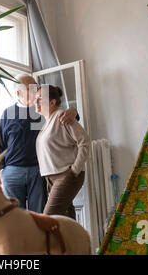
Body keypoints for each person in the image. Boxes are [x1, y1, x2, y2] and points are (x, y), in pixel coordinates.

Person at [0, 74, 79, 213]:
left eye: (37, 86)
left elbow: (67, 116)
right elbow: (1, 144)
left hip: (39, 170)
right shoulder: (7, 113)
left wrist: (73, 111)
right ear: (19, 93)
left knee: (39, 215)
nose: (37, 90)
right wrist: (1, 170)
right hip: (12, 172)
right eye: (32, 88)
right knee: (15, 216)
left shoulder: (43, 109)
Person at [35, 85, 90, 219]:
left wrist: (75, 170)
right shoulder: (46, 122)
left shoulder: (62, 116)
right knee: (66, 219)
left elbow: (85, 141)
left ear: (52, 102)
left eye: (39, 99)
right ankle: (77, 240)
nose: (35, 102)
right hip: (51, 178)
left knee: (47, 218)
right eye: (35, 99)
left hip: (66, 175)